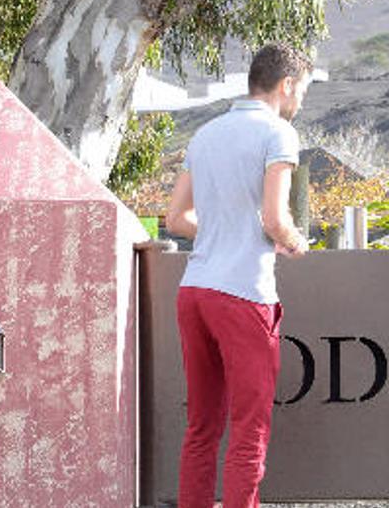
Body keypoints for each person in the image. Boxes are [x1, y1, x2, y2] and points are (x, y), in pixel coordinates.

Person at [165, 42, 313, 508]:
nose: (300, 102)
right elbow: (275, 218)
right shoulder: (279, 134)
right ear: (286, 84)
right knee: (250, 429)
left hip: (195, 291)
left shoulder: (205, 134)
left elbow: (175, 219)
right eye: (301, 91)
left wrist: (225, 230)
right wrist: (294, 242)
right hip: (244, 295)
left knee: (202, 427)